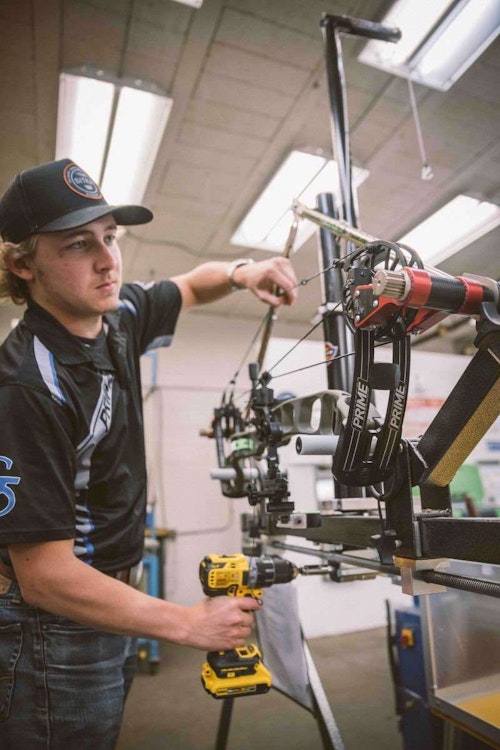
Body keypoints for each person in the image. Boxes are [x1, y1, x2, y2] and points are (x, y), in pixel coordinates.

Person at [0, 158, 298, 749]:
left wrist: (244, 272)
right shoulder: (26, 387)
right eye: (79, 245)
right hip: (55, 629)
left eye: (111, 237)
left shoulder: (117, 319)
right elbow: (44, 577)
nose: (108, 260)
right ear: (22, 263)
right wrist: (187, 622)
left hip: (111, 604)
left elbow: (191, 284)